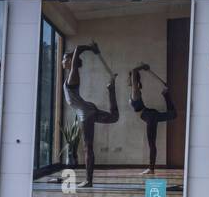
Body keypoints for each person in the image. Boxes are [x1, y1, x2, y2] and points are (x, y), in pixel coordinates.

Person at [62, 43, 118, 188]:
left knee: (88, 148)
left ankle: (88, 180)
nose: (62, 62)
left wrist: (90, 48)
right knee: (114, 117)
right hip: (88, 109)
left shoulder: (73, 74)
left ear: (70, 61)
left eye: (64, 59)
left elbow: (79, 48)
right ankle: (111, 90)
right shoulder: (70, 76)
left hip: (85, 114)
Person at [128, 63, 178, 175]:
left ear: (133, 80)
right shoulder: (134, 91)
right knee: (173, 115)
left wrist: (142, 66)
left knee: (152, 143)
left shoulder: (135, 91)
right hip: (149, 116)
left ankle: (151, 169)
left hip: (150, 117)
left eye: (130, 78)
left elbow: (134, 70)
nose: (128, 80)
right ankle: (166, 94)